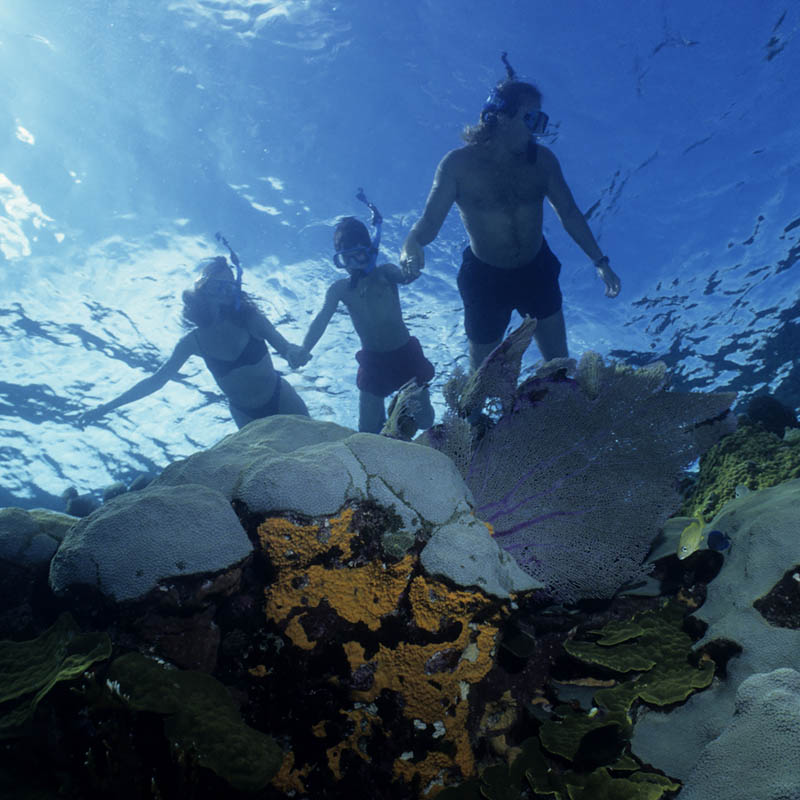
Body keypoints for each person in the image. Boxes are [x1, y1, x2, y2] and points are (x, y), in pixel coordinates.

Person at [400, 54, 621, 372]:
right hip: (484, 278)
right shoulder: (458, 165)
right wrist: (411, 245)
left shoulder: (543, 162)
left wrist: (600, 262)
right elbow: (429, 222)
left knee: (559, 364)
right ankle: (477, 421)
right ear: (500, 116)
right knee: (483, 374)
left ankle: (559, 412)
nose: (537, 132)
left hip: (537, 270)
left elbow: (570, 213)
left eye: (541, 123)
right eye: (531, 120)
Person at [78, 256, 309, 429]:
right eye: (216, 285)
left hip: (281, 397)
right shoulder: (192, 342)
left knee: (317, 457)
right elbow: (156, 381)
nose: (223, 292)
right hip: (244, 413)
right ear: (201, 290)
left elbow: (286, 348)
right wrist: (106, 407)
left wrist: (294, 353)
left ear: (235, 292)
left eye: (229, 287)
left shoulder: (252, 320)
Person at [291, 216, 435, 434]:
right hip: (373, 363)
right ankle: (393, 420)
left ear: (370, 249)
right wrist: (304, 348)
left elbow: (405, 275)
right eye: (345, 259)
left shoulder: (385, 273)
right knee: (366, 431)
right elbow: (321, 319)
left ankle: (400, 412)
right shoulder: (340, 289)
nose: (352, 265)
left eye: (357, 255)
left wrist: (411, 264)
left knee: (425, 420)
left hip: (406, 355)